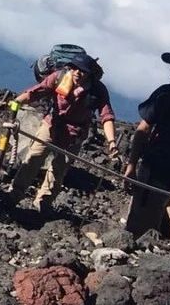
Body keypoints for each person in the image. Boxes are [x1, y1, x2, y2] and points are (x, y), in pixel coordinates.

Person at [8, 48, 117, 214]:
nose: (77, 73)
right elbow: (36, 92)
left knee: (59, 169)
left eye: (82, 71)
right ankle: (14, 195)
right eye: (74, 68)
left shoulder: (97, 91)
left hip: (75, 133)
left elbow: (106, 116)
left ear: (89, 74)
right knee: (34, 157)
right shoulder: (59, 77)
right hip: (52, 124)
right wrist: (16, 102)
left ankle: (43, 204)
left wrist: (112, 143)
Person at [123, 46, 170, 240]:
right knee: (142, 228)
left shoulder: (165, 95)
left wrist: (132, 165)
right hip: (160, 170)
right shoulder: (166, 95)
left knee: (148, 227)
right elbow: (142, 131)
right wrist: (132, 165)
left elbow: (143, 130)